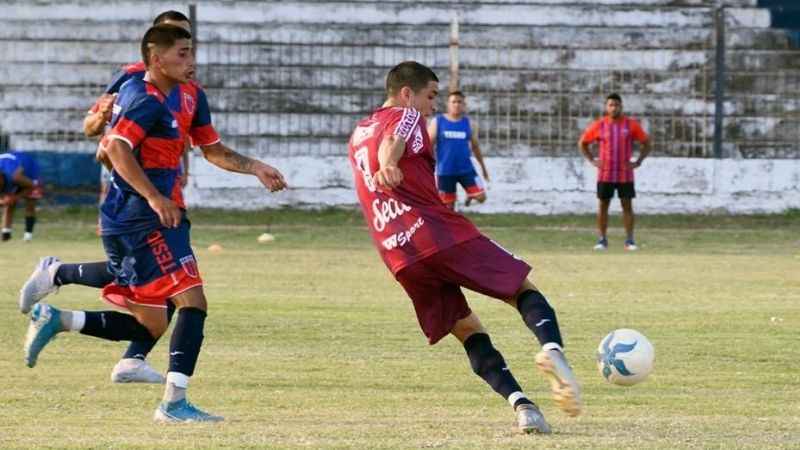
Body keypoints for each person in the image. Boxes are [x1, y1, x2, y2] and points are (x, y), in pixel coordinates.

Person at [23, 24, 287, 422]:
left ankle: (59, 319)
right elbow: (113, 147)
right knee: (191, 301)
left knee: (151, 323)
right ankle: (174, 404)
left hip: (138, 216)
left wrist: (254, 167)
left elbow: (210, 148)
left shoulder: (180, 96)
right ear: (156, 57)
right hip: (144, 218)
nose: (191, 60)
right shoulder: (145, 98)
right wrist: (154, 196)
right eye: (182, 52)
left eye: (191, 51)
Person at [347, 61, 581, 435]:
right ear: (407, 94)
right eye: (431, 96)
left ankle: (524, 407)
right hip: (436, 233)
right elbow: (393, 143)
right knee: (520, 287)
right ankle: (553, 351)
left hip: (397, 254)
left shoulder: (358, 132)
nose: (433, 106)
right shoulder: (407, 115)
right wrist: (388, 164)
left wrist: (387, 164)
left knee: (466, 328)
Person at [20, 11, 198, 386]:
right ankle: (161, 385)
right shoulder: (133, 81)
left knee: (151, 288)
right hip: (134, 197)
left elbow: (199, 141)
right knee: (174, 289)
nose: (187, 55)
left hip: (162, 195)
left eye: (187, 43)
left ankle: (63, 289)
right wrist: (104, 122)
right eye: (177, 44)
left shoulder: (188, 89)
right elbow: (98, 135)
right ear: (155, 48)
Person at [579, 93, 652, 251]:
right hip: (605, 174)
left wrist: (638, 162)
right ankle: (602, 240)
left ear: (621, 107)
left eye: (616, 105)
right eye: (611, 105)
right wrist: (592, 160)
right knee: (603, 205)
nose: (614, 108)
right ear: (607, 107)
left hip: (625, 174)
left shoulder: (631, 125)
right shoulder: (599, 125)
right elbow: (583, 143)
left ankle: (629, 241)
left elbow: (647, 143)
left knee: (627, 205)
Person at [426, 91, 488, 210]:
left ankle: (470, 195)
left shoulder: (469, 124)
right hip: (445, 171)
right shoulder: (438, 121)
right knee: (448, 207)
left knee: (481, 197)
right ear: (448, 104)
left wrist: (483, 169)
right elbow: (428, 145)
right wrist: (427, 167)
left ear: (464, 105)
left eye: (459, 102)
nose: (456, 105)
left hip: (467, 170)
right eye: (453, 102)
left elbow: (475, 148)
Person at [0, 150, 42, 242]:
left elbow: (31, 186)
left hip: (29, 172)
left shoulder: (15, 177)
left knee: (30, 204)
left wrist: (15, 198)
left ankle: (28, 236)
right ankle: (6, 233)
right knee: (9, 203)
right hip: (12, 166)